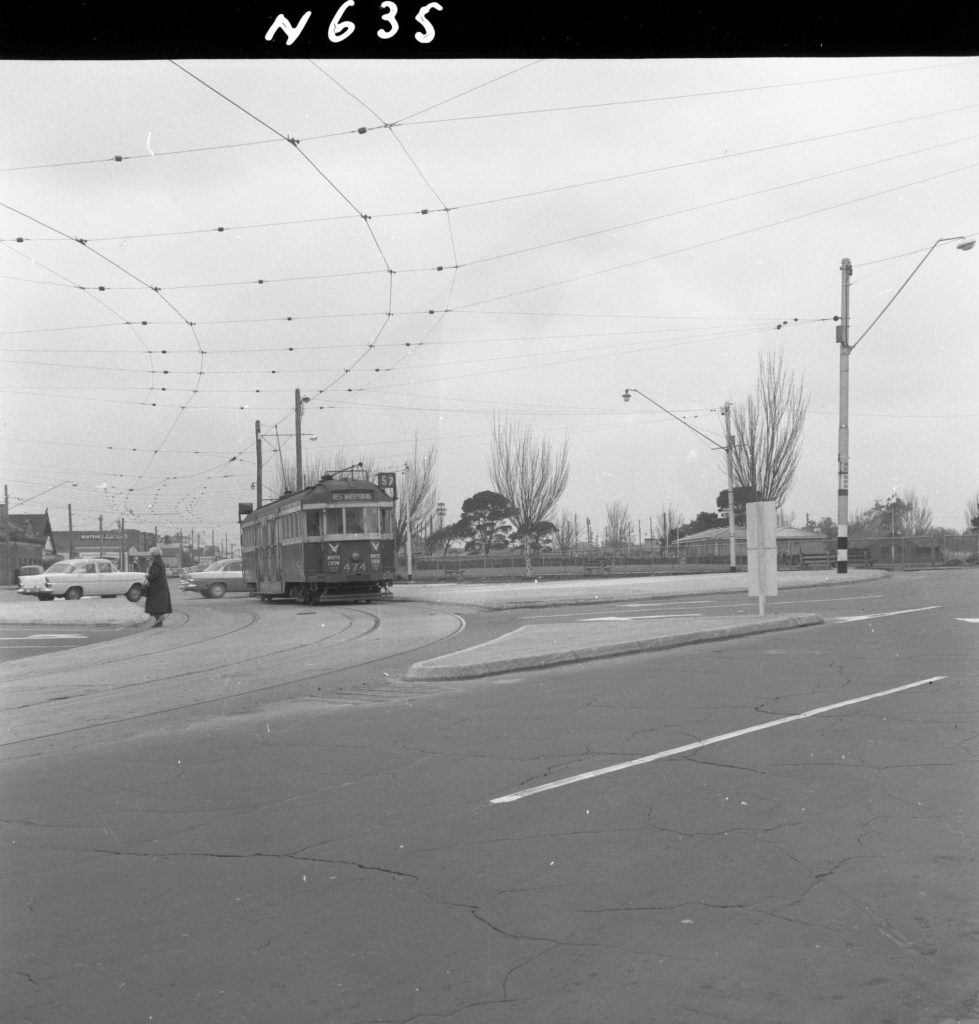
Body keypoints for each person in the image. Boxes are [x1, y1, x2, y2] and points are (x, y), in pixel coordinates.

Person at [144, 546, 172, 627]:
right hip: (161, 587)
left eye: (150, 554)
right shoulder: (161, 561)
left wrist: (148, 577)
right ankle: (159, 622)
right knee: (159, 606)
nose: (150, 555)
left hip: (157, 588)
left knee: (155, 606)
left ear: (153, 554)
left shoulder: (156, 562)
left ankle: (158, 622)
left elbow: (155, 574)